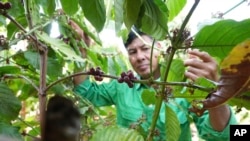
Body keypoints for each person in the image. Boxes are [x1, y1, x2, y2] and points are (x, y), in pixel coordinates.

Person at [72, 24, 237, 140]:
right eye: (132, 52)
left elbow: (227, 135)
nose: (140, 57)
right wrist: (81, 51)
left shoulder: (185, 86)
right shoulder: (121, 86)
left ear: (158, 47)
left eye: (145, 49)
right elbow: (85, 93)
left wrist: (216, 93)